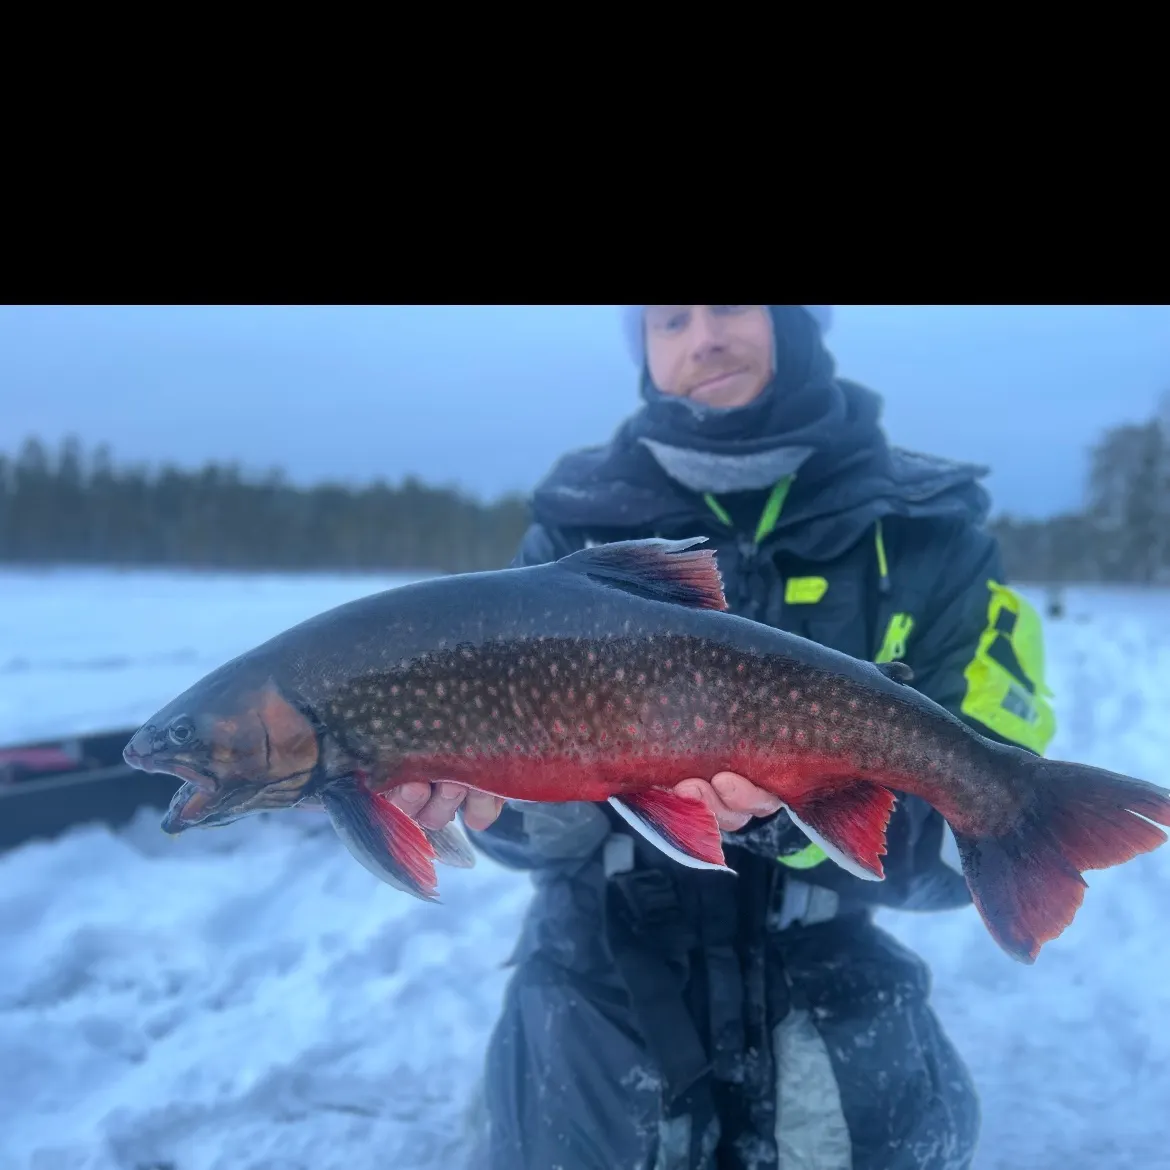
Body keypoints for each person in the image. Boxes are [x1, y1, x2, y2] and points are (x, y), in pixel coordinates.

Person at [386, 305, 1057, 1170]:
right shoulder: (567, 536)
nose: (703, 337)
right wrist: (484, 802)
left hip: (834, 981)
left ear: (795, 321)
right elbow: (532, 835)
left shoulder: (933, 535)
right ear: (644, 352)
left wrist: (793, 819)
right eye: (667, 319)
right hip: (594, 990)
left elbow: (950, 861)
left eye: (730, 304)